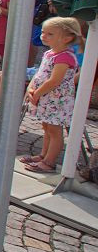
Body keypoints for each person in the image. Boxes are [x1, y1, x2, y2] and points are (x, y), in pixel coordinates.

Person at [21, 17, 82, 174]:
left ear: (66, 38)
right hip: (47, 98)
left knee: (54, 131)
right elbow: (39, 73)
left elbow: (55, 80)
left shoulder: (65, 56)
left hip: (57, 100)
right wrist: (31, 88)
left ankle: (49, 161)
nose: (44, 36)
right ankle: (43, 155)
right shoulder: (50, 53)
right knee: (46, 127)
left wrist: (38, 93)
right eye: (43, 32)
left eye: (50, 34)